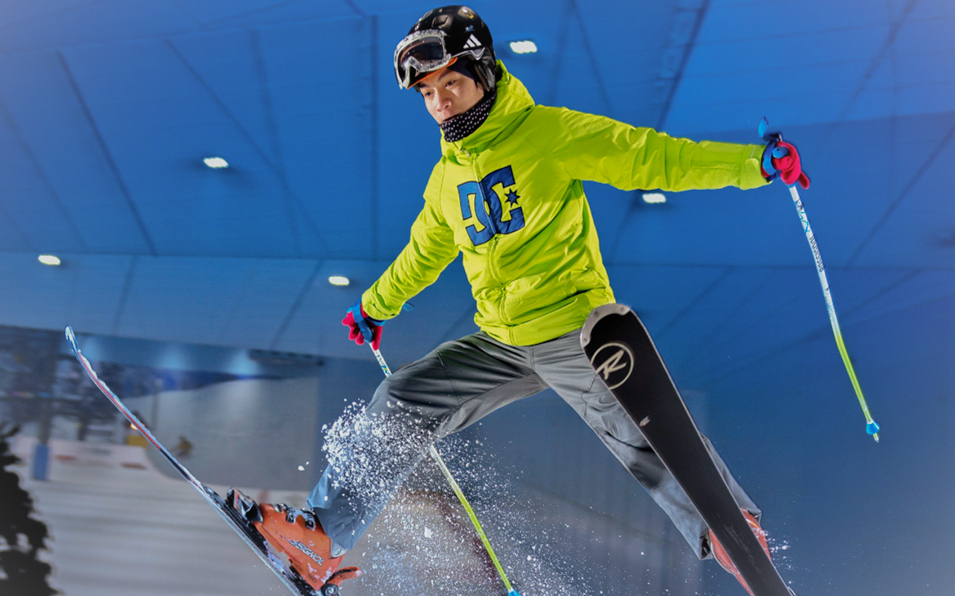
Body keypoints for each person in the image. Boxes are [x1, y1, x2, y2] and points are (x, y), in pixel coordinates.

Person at [229, 5, 808, 595]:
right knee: (401, 398)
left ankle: (730, 528)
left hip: (571, 330)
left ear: (483, 72)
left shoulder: (548, 134)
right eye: (427, 93)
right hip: (501, 344)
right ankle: (320, 538)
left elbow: (650, 156)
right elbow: (423, 252)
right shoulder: (447, 178)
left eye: (450, 85)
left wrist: (753, 165)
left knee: (632, 424)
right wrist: (375, 305)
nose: (440, 103)